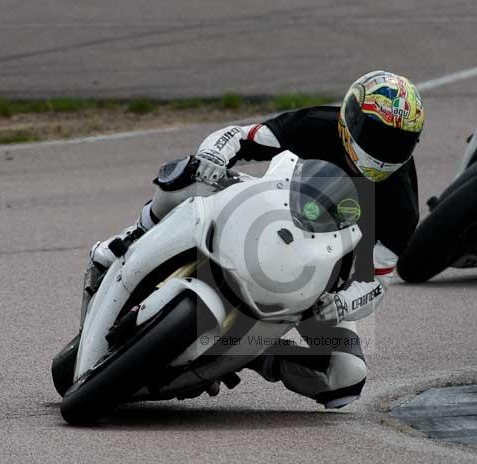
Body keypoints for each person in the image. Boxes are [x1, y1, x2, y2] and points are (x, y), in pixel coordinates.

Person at [88, 70, 425, 408]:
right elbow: (241, 135)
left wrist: (340, 304)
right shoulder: (317, 124)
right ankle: (132, 237)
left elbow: (375, 282)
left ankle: (256, 354)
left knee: (346, 378)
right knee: (185, 174)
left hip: (315, 285)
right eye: (377, 136)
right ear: (350, 118)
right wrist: (213, 158)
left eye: (399, 142)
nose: (385, 151)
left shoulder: (403, 205)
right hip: (260, 210)